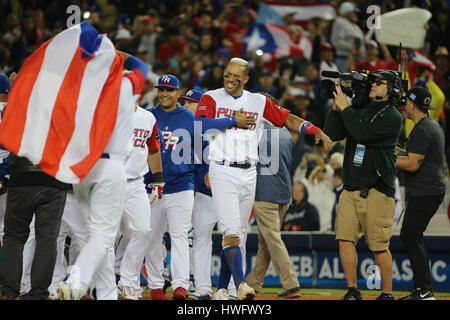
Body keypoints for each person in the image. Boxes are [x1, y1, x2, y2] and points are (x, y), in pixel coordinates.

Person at [194, 57, 332, 300]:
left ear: (245, 79)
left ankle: (222, 290)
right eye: (227, 74)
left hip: (249, 173)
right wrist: (231, 120)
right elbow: (199, 125)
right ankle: (241, 285)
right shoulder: (211, 97)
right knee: (231, 232)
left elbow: (287, 118)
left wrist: (314, 129)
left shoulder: (258, 101)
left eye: (236, 76)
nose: (229, 79)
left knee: (239, 233)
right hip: (222, 169)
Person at [57, 51, 148, 300]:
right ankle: (76, 281)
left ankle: (106, 294)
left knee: (98, 239)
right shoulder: (124, 87)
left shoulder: (78, 93)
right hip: (110, 167)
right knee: (103, 236)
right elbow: (140, 66)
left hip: (81, 171)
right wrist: (115, 53)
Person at [323, 70, 403, 300]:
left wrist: (346, 108)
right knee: (345, 239)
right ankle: (353, 290)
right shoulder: (360, 108)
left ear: (392, 89)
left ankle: (387, 294)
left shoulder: (393, 117)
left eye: (380, 83)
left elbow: (362, 134)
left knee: (378, 246)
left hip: (377, 188)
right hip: (351, 186)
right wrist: (336, 107)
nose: (373, 86)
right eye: (373, 82)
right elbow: (332, 133)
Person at [145, 74, 195, 300]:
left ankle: (180, 286)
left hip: (181, 185)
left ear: (178, 92)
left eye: (169, 90)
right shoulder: (148, 115)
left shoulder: (189, 117)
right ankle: (156, 286)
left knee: (179, 237)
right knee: (152, 238)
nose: (163, 93)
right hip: (152, 186)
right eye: (161, 89)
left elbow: (204, 148)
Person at [245, 104, 302, 299]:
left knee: (273, 240)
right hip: (284, 192)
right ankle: (254, 282)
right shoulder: (286, 132)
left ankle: (291, 284)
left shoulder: (255, 131)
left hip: (264, 192)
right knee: (266, 240)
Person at [396, 87, 445, 300]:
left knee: (410, 235)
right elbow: (413, 155)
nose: (404, 105)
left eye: (406, 102)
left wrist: (385, 158)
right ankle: (422, 289)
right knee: (413, 236)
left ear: (412, 104)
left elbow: (412, 164)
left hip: (424, 191)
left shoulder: (421, 129)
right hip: (431, 190)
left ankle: (425, 290)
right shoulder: (432, 125)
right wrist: (393, 151)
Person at [115, 103, 162, 300]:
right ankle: (104, 285)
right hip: (109, 183)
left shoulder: (147, 117)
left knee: (142, 231)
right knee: (109, 238)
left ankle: (127, 282)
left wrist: (158, 180)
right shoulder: (106, 112)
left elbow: (153, 150)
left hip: (135, 183)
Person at [330, 2, 365, 72]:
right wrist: (350, 47)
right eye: (354, 12)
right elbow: (335, 41)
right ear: (347, 12)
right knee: (345, 82)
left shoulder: (355, 25)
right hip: (344, 60)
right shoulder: (340, 22)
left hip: (356, 60)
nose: (355, 14)